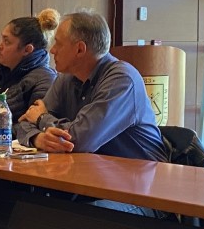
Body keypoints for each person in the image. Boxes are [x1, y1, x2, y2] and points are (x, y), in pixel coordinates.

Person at [14, 10, 166, 161]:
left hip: (141, 177)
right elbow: (24, 122)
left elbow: (79, 140)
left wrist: (41, 118)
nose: (52, 50)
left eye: (58, 43)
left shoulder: (122, 80)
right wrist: (37, 138)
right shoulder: (67, 77)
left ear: (80, 49)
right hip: (93, 172)